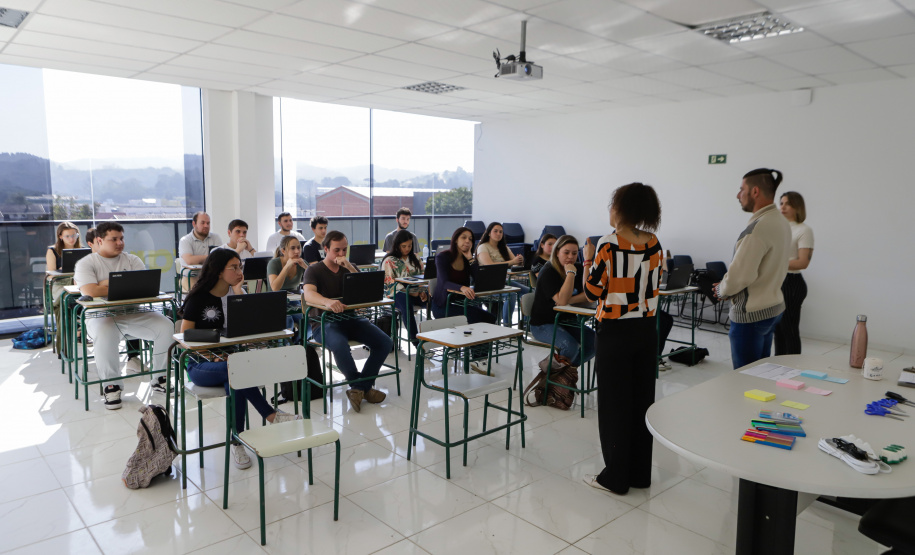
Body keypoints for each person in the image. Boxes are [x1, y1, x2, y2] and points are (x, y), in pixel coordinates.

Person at [180, 248, 302, 469]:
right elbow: (185, 335)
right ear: (218, 271)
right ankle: (271, 415)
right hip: (200, 364)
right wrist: (210, 356)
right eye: (234, 267)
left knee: (235, 377)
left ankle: (236, 441)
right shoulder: (199, 298)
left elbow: (250, 326)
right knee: (236, 370)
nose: (239, 272)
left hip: (232, 362)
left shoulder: (237, 293)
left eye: (240, 267)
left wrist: (238, 294)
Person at [582, 182, 663, 496]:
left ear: (620, 208)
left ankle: (616, 477)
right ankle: (640, 474)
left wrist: (587, 261)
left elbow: (592, 292)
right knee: (641, 402)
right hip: (646, 330)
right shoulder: (654, 242)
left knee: (614, 405)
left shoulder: (609, 243)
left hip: (615, 333)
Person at [73, 222, 175, 409]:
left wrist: (104, 284)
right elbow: (90, 290)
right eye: (114, 239)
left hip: (133, 312)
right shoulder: (86, 263)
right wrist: (120, 283)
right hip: (100, 316)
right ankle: (111, 386)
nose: (120, 243)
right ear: (99, 240)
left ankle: (160, 378)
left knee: (166, 326)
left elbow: (142, 286)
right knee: (104, 331)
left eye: (121, 238)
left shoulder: (132, 260)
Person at [302, 231, 392, 413]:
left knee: (385, 343)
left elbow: (366, 288)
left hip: (351, 319)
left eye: (344, 249)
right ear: (326, 249)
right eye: (337, 250)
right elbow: (309, 294)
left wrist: (349, 266)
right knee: (340, 345)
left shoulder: (350, 267)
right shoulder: (314, 270)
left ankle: (359, 388)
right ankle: (363, 388)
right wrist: (327, 302)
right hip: (324, 322)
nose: (341, 254)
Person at [714, 168, 790, 369]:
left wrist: (721, 290)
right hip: (772, 308)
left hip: (751, 315)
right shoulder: (780, 221)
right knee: (760, 374)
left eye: (742, 189)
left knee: (745, 378)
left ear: (755, 191)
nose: (738, 195)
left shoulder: (757, 228)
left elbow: (740, 277)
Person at [529, 235, 595, 368]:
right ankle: (550, 376)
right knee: (569, 347)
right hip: (543, 324)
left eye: (574, 253)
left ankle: (565, 372)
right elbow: (562, 300)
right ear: (557, 252)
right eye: (566, 252)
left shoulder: (577, 267)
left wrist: (569, 299)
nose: (570, 257)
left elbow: (589, 295)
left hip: (567, 321)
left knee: (595, 342)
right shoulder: (548, 271)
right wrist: (570, 273)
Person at [774, 191, 814, 355]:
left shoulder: (804, 230)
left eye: (788, 204)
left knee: (789, 329)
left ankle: (792, 366)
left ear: (797, 207)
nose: (783, 207)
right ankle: (778, 364)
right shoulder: (778, 228)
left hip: (792, 283)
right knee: (777, 329)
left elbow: (803, 262)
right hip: (777, 280)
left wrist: (774, 264)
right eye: (781, 203)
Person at [476, 222, 530, 325]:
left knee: (529, 292)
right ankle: (507, 325)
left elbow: (515, 263)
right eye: (495, 231)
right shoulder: (483, 247)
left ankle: (526, 323)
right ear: (489, 233)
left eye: (501, 232)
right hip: (487, 283)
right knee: (511, 294)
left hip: (502, 281)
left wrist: (520, 260)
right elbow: (489, 265)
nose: (498, 234)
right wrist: (512, 262)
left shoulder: (504, 247)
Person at [382, 229, 427, 345]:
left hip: (416, 291)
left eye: (410, 246)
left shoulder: (415, 258)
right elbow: (390, 283)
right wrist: (411, 292)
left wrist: (422, 290)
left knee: (435, 300)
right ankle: (417, 342)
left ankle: (435, 338)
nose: (407, 249)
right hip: (396, 293)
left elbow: (423, 276)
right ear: (397, 245)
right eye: (404, 246)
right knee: (406, 303)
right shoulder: (389, 260)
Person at [267, 235, 307, 343]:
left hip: (294, 300)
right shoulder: (274, 263)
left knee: (307, 320)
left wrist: (305, 267)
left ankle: (296, 344)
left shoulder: (301, 263)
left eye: (298, 248)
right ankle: (286, 346)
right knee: (288, 319)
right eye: (293, 248)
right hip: (276, 300)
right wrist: (287, 267)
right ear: (283, 251)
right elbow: (275, 288)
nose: (297, 251)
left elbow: (316, 280)